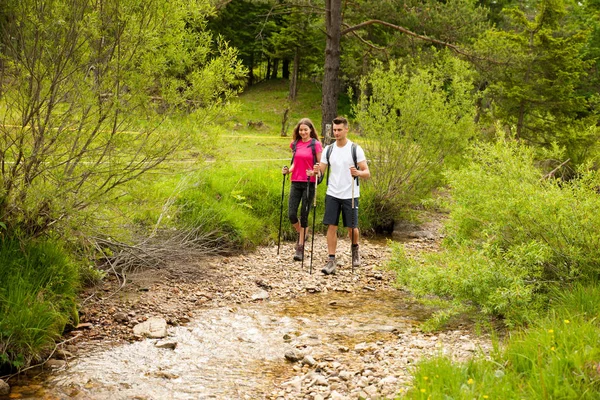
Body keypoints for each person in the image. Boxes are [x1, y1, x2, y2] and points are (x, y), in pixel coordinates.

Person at [311, 116, 370, 275]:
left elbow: (367, 172)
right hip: (332, 193)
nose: (336, 133)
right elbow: (321, 172)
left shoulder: (355, 149)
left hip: (350, 194)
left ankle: (355, 249)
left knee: (352, 228)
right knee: (331, 226)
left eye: (339, 130)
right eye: (334, 130)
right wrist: (316, 172)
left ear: (346, 129)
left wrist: (358, 173)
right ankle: (331, 260)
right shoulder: (328, 149)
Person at [282, 118, 322, 261]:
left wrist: (315, 172)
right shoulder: (295, 144)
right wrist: (288, 171)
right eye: (301, 130)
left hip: (309, 183)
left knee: (304, 215)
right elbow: (295, 164)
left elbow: (320, 166)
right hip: (295, 182)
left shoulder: (315, 145)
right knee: (292, 214)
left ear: (311, 130)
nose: (303, 132)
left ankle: (300, 246)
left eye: (305, 129)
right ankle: (303, 234)